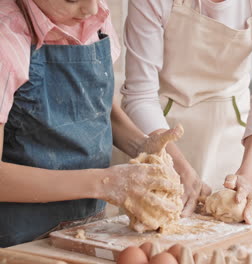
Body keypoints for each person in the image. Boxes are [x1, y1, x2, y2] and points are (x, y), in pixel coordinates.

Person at [0, 0, 191, 247]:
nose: (91, 9)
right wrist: (106, 183)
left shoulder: (96, 17)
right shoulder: (6, 38)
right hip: (18, 242)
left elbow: (97, 107)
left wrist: (142, 145)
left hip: (86, 229)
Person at [122, 0, 252, 224]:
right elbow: (140, 95)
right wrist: (175, 164)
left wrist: (250, 174)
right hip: (161, 130)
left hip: (230, 134)